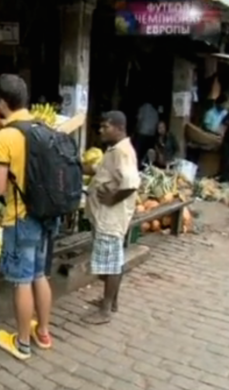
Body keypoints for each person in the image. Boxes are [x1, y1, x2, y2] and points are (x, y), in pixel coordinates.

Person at [0, 74, 53, 360]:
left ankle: (22, 343)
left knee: (22, 280)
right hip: (46, 216)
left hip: (20, 219)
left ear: (1, 102)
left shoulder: (4, 136)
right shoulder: (44, 128)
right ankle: (43, 333)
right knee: (39, 274)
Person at [83, 111, 140, 324]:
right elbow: (100, 171)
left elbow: (132, 183)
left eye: (105, 126)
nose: (101, 130)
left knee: (111, 263)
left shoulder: (122, 152)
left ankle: (105, 310)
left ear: (118, 128)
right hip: (104, 216)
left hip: (111, 217)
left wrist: (113, 198)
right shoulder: (114, 151)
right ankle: (110, 301)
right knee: (110, 260)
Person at [134, 100, 159, 164]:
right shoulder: (155, 111)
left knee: (138, 153)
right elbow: (156, 123)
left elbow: (139, 120)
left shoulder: (142, 108)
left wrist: (135, 131)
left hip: (142, 133)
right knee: (147, 153)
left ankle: (137, 165)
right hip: (151, 135)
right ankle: (146, 166)